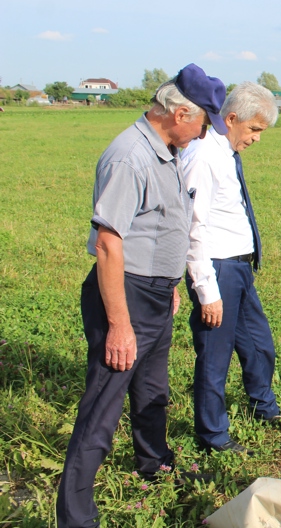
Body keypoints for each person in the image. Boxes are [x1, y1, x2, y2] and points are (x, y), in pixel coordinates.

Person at [56, 64, 227, 528]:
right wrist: (119, 323)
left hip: (154, 294)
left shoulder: (168, 152)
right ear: (179, 112)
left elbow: (159, 227)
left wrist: (169, 284)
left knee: (152, 389)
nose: (206, 132)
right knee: (102, 407)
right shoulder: (129, 157)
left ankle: (156, 467)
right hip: (125, 296)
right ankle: (75, 516)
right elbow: (110, 244)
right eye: (204, 122)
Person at [182, 82, 281, 454]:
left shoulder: (226, 153)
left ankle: (266, 408)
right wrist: (207, 291)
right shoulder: (202, 156)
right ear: (231, 118)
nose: (258, 139)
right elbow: (193, 229)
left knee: (259, 344)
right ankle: (213, 437)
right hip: (217, 269)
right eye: (255, 129)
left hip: (239, 268)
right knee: (215, 356)